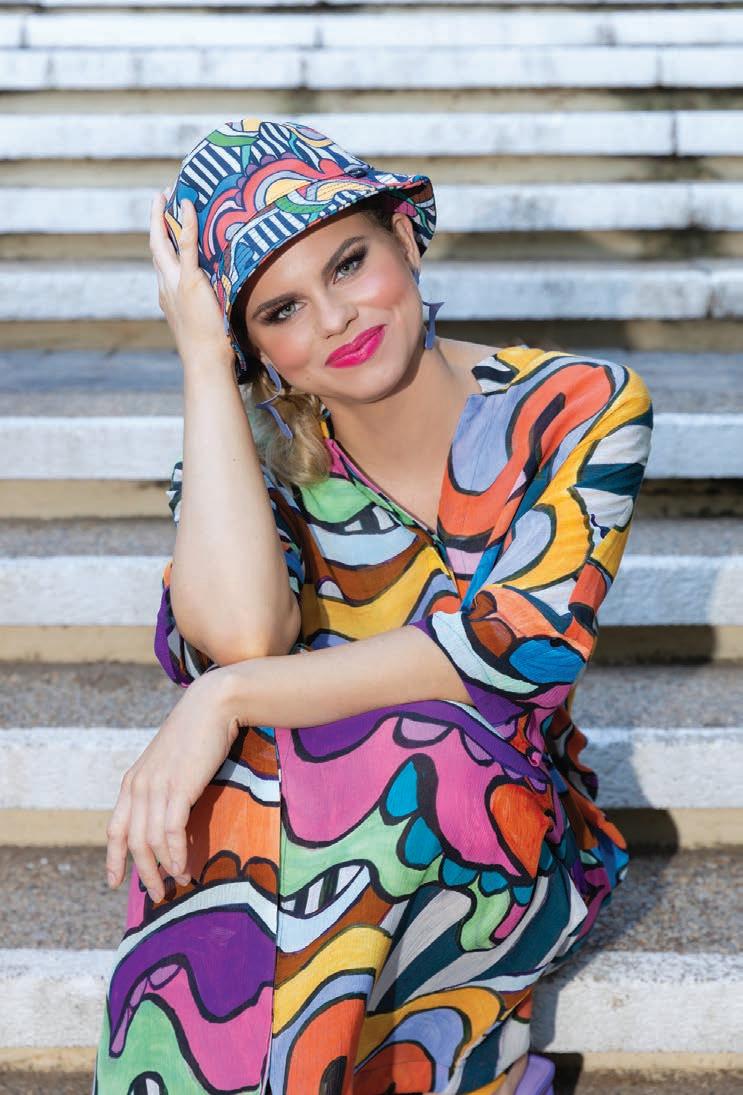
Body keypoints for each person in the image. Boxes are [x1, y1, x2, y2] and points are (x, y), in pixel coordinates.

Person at [91, 118, 654, 1095]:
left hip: (499, 820)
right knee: (253, 785)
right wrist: (202, 364)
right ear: (253, 348)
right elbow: (240, 636)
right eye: (281, 310)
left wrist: (225, 698)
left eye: (348, 264)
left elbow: (513, 647)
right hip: (283, 825)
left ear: (403, 236)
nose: (335, 319)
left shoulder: (579, 405)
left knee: (397, 752)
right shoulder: (241, 455)